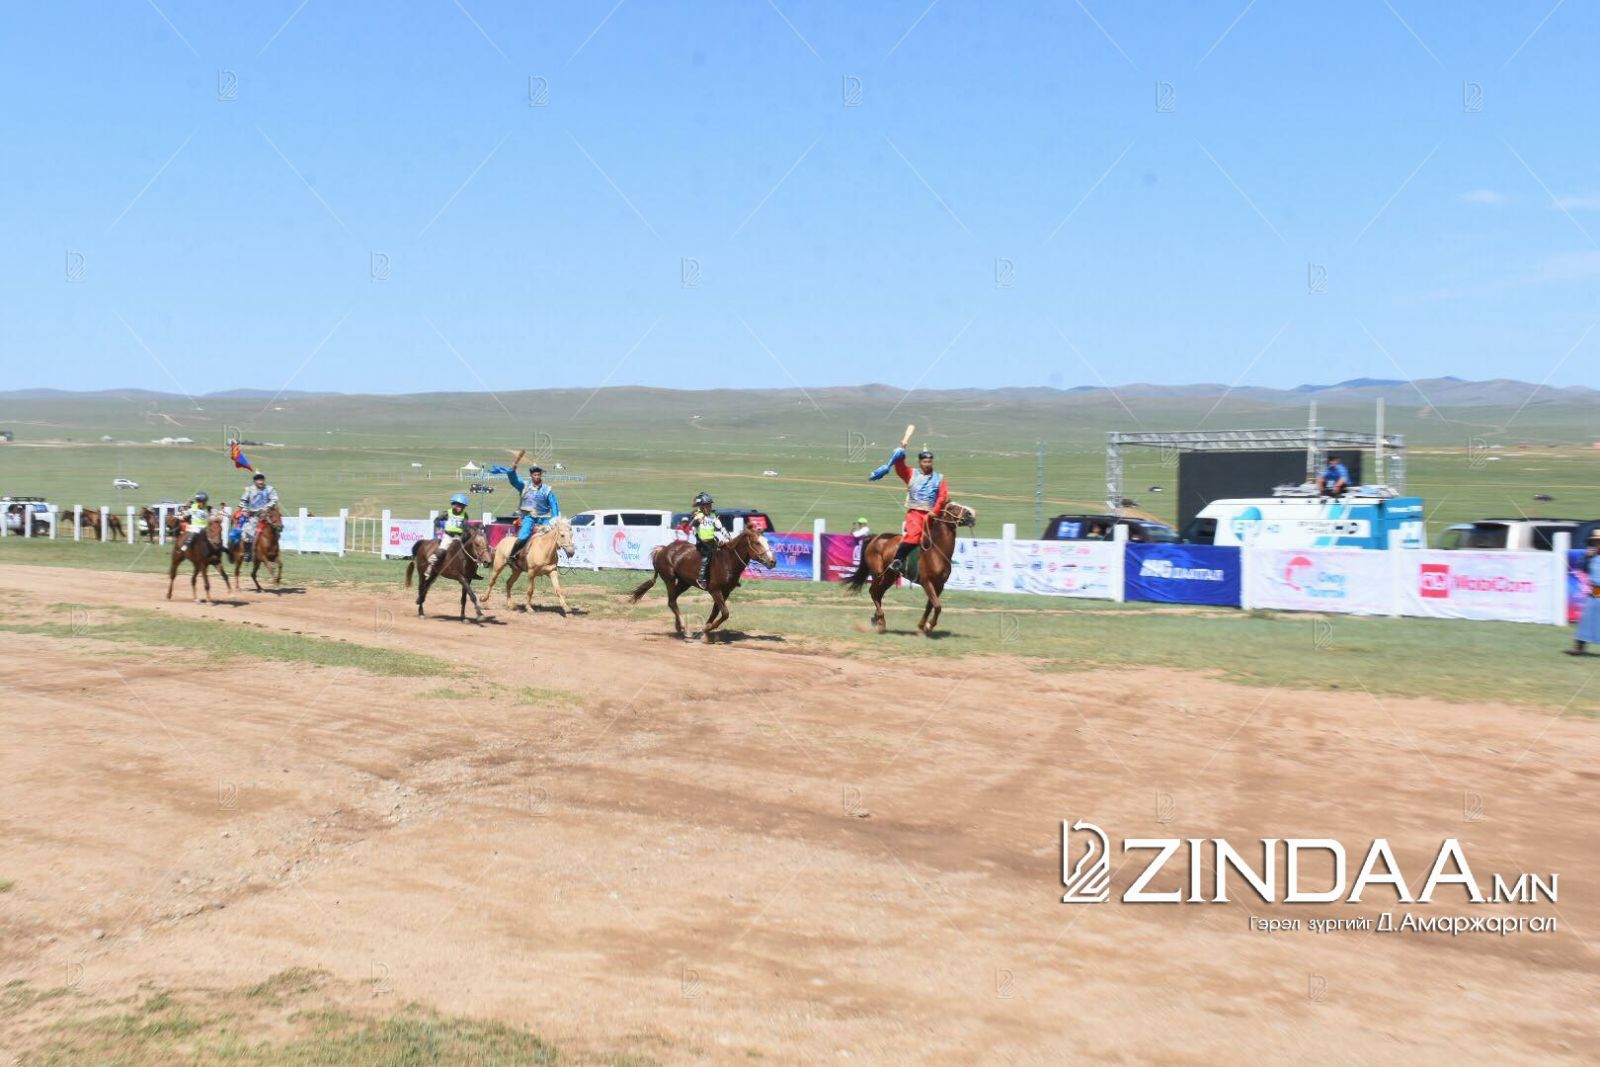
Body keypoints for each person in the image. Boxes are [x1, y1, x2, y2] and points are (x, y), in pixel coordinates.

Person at [871, 446, 948, 575]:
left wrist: (935, 511)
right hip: (915, 514)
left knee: (942, 538)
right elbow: (900, 468)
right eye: (925, 462)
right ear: (920, 462)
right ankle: (898, 560)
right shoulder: (911, 473)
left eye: (930, 462)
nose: (927, 464)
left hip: (933, 515)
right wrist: (900, 454)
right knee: (914, 537)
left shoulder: (939, 478)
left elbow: (942, 496)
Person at [505, 463, 560, 567]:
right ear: (531, 475)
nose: (537, 477)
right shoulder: (524, 487)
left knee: (552, 536)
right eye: (535, 475)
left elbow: (554, 505)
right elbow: (514, 481)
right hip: (529, 517)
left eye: (538, 475)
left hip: (545, 518)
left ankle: (552, 558)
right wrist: (512, 472)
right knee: (523, 536)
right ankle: (512, 556)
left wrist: (555, 519)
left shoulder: (547, 490)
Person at [424, 493, 471, 582]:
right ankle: (430, 567)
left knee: (469, 550)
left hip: (459, 537)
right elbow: (437, 520)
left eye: (462, 506)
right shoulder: (447, 513)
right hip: (449, 537)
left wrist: (466, 533)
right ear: (453, 504)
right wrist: (438, 528)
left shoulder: (465, 515)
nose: (460, 507)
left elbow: (465, 526)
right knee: (441, 551)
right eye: (458, 505)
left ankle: (470, 570)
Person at [1567, 530, 1600, 656]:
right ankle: (1579, 648)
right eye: (1596, 542)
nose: (1597, 544)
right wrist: (1587, 557)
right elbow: (1581, 568)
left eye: (1599, 542)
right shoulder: (1590, 556)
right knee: (1586, 618)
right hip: (1595, 590)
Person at [236, 471, 281, 562]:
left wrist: (267, 507)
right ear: (255, 481)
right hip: (254, 515)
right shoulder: (249, 490)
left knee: (276, 528)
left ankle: (273, 550)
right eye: (258, 479)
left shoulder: (270, 489)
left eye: (261, 479)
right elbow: (243, 501)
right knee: (247, 532)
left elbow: (275, 499)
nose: (260, 481)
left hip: (267, 514)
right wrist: (244, 510)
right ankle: (248, 553)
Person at [689, 491, 728, 589]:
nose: (710, 508)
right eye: (707, 506)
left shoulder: (713, 516)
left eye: (710, 506)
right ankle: (701, 578)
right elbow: (692, 528)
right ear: (702, 507)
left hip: (712, 541)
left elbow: (721, 527)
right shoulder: (698, 516)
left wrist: (728, 537)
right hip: (702, 543)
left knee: (724, 552)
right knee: (707, 555)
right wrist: (697, 521)